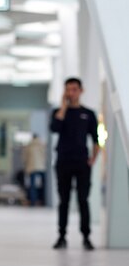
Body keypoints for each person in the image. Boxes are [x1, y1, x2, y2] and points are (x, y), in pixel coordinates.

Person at [50, 78, 99, 251]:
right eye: (68, 90)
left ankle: (86, 236)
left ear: (81, 90)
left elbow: (96, 138)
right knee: (64, 201)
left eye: (74, 89)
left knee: (83, 200)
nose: (71, 93)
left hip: (82, 163)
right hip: (63, 161)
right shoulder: (58, 112)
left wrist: (94, 158)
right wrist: (63, 106)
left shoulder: (89, 114)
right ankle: (61, 236)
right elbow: (55, 128)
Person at [23, 134, 46, 206]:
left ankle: (33, 202)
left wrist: (25, 165)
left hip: (31, 167)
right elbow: (46, 155)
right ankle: (43, 200)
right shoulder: (42, 145)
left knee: (33, 186)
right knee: (44, 185)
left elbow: (25, 157)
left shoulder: (29, 146)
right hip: (41, 167)